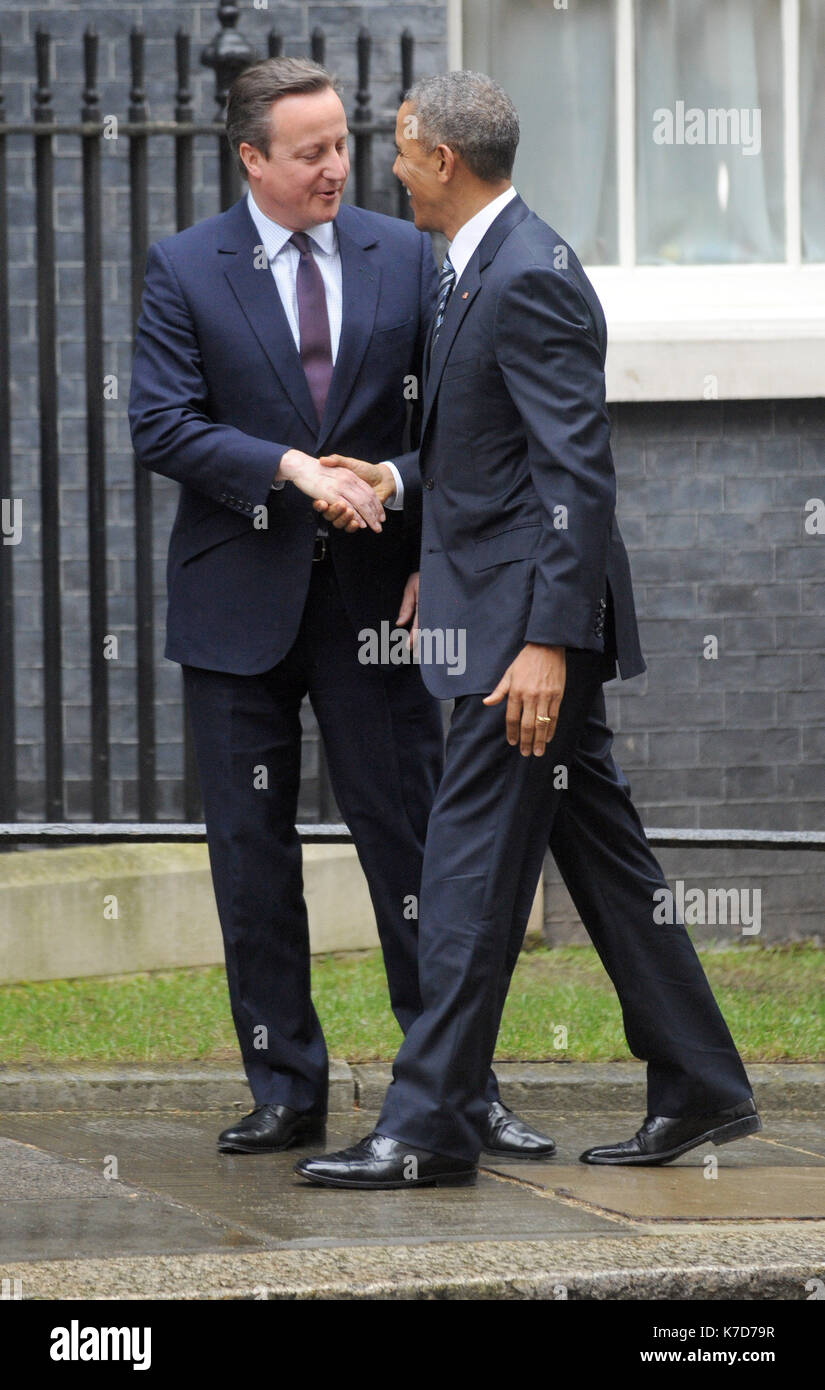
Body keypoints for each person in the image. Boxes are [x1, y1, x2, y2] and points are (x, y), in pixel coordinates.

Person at [296, 70, 761, 1189]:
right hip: (505, 615)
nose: (385, 168)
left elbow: (576, 472)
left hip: (523, 640)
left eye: (401, 151)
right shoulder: (479, 267)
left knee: (461, 869)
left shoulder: (528, 276)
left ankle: (425, 1126)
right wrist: (400, 485)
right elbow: (491, 452)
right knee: (603, 858)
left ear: (444, 162)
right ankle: (702, 1082)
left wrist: (548, 641)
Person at [128, 57, 551, 1160]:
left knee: (415, 855)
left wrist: (429, 545)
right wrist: (287, 465)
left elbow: (462, 427)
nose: (336, 167)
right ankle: (285, 1086)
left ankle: (454, 1087)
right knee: (249, 860)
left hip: (379, 607)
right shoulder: (184, 267)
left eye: (341, 145)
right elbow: (160, 423)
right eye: (309, 150)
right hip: (235, 611)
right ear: (251, 158)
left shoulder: (407, 256)